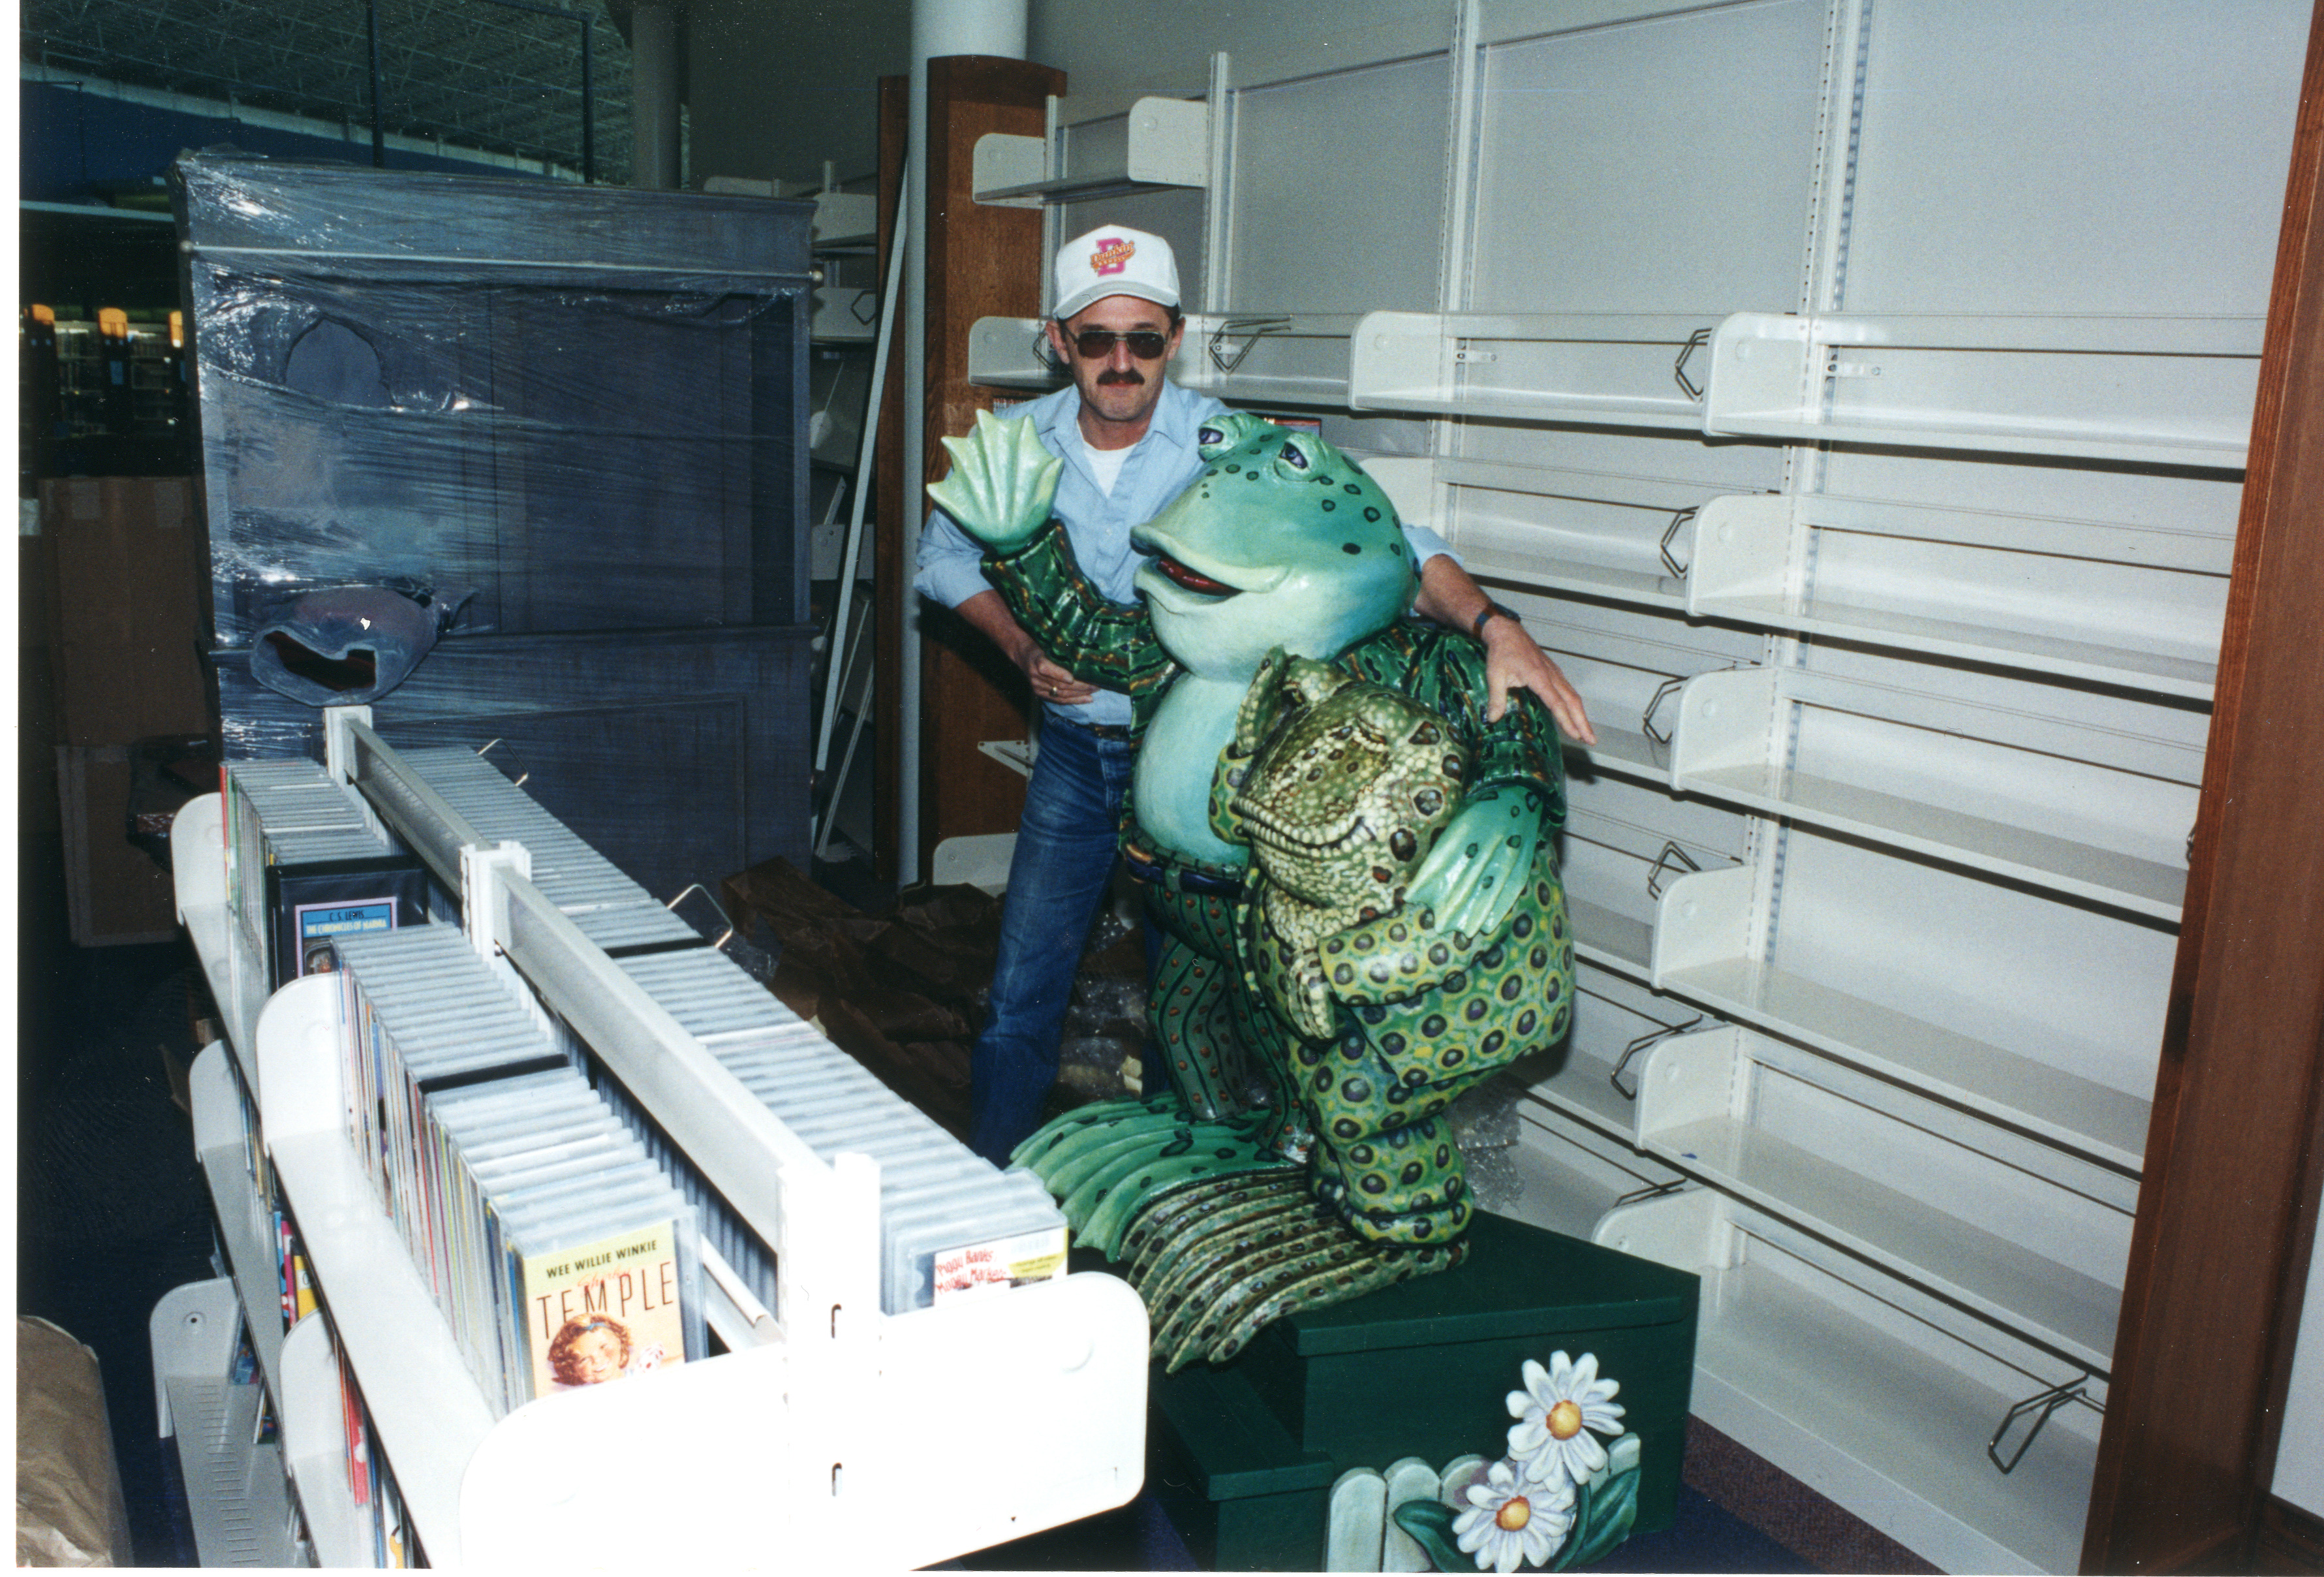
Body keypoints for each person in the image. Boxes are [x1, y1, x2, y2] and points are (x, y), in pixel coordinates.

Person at [917, 223, 1597, 1166]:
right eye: (1096, 338)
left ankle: (1174, 1191)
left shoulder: (1231, 444)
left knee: (1190, 998)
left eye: (1144, 339)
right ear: (1056, 340)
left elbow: (1392, 542)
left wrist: (1493, 624)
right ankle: (983, 1192)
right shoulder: (1015, 445)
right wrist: (1021, 644)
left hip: (1201, 771)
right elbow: (943, 559)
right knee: (1023, 987)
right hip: (1073, 754)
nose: (1121, 362)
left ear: (1175, 337)